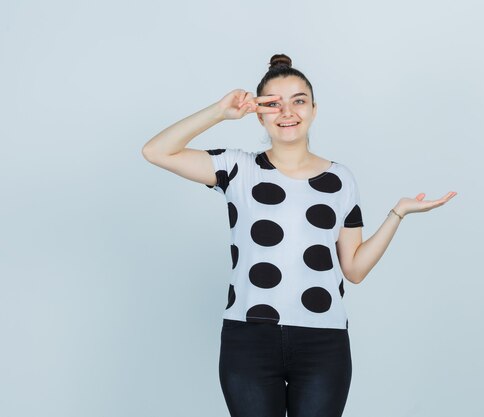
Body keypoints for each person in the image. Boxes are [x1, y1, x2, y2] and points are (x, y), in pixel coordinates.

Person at [142, 53, 457, 417]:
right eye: (273, 104)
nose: (287, 112)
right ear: (259, 114)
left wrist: (397, 214)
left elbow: (353, 269)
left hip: (323, 341)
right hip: (249, 339)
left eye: (298, 101)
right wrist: (219, 111)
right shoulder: (237, 168)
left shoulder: (340, 179)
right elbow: (156, 151)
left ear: (313, 110)